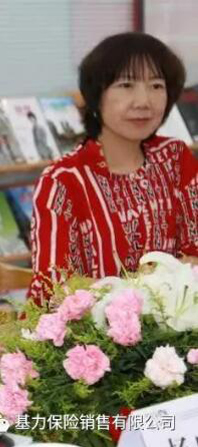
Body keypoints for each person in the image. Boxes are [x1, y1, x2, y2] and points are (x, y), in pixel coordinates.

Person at [29, 32, 198, 305]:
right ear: (96, 96)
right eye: (126, 85)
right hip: (93, 329)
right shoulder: (62, 182)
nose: (143, 101)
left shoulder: (175, 159)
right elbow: (54, 288)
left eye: (156, 85)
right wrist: (139, 294)